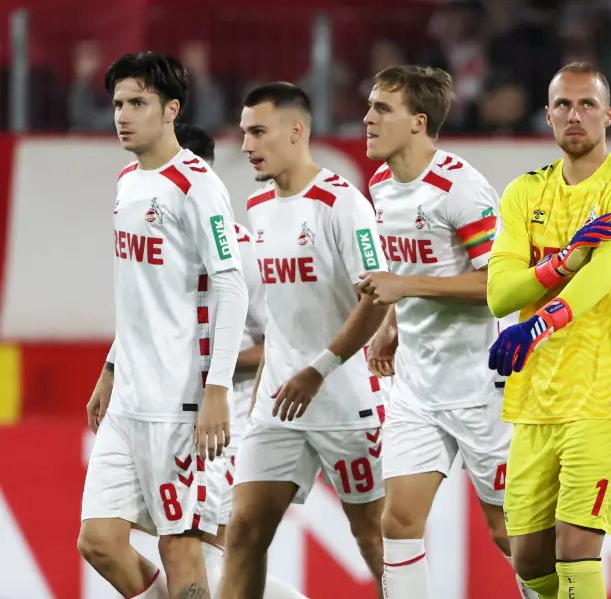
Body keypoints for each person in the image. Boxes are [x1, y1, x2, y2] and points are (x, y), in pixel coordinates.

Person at [485, 61, 611, 599]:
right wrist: (562, 261)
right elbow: (500, 292)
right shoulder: (524, 193)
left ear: (608, 115)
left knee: (575, 546)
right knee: (529, 558)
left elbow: (604, 276)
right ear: (547, 115)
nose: (574, 114)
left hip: (607, 389)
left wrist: (538, 322)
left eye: (587, 104)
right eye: (563, 104)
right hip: (536, 395)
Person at [358, 65, 534, 598]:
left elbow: (501, 286)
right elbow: (409, 274)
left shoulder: (460, 188)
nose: (367, 118)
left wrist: (405, 288)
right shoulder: (382, 185)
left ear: (418, 121)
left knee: (510, 534)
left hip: (485, 387)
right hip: (417, 386)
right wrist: (391, 323)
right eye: (369, 106)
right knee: (397, 523)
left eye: (382, 109)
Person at [79, 51, 248, 599]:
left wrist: (217, 390)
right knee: (99, 540)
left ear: (171, 109)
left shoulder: (197, 187)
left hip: (178, 402)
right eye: (118, 103)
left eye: (138, 103)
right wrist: (110, 368)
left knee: (181, 546)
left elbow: (230, 286)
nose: (122, 115)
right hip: (128, 397)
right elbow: (139, 295)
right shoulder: (129, 179)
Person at [217, 82, 390, 599]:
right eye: (245, 133)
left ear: (296, 131)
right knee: (244, 532)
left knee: (373, 539)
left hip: (345, 400)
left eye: (258, 132)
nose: (246, 146)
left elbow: (377, 299)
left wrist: (320, 368)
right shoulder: (258, 205)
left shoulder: (342, 205)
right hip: (278, 402)